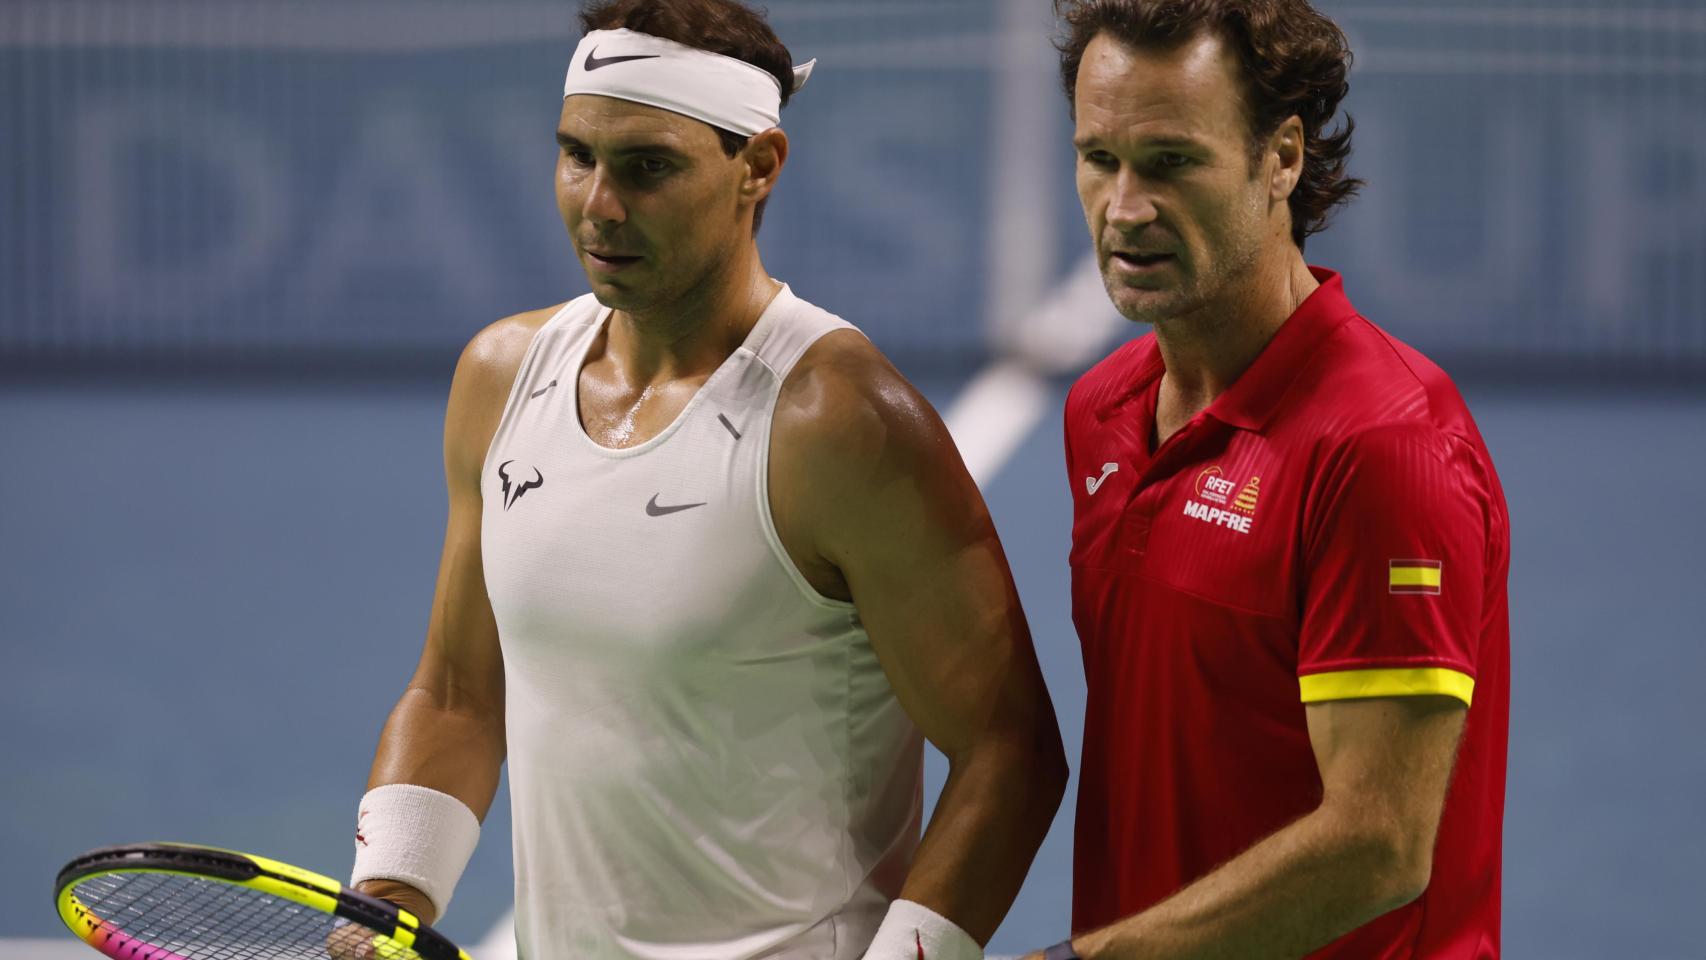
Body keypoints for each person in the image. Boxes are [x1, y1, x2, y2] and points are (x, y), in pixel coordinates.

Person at [343, 1, 1068, 958]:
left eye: (648, 167)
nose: (598, 203)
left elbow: (1009, 750)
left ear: (758, 167)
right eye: (576, 156)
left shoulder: (840, 424)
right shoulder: (500, 376)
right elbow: (457, 693)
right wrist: (388, 896)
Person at [1027, 2, 1510, 958]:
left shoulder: (1384, 448)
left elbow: (1377, 846)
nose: (1125, 208)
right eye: (1100, 159)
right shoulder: (1103, 412)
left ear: (1281, 157)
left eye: (1172, 162)